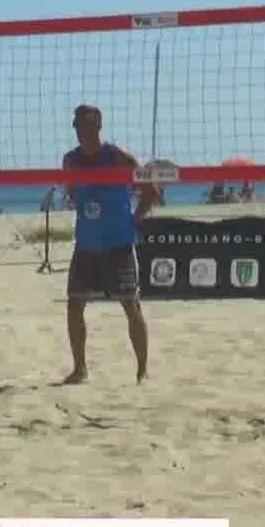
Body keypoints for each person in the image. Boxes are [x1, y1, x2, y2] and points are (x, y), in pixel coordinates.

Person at [62, 104, 157, 385]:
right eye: (77, 125)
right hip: (87, 244)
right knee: (74, 305)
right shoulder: (70, 160)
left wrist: (134, 219)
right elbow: (71, 194)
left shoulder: (117, 157)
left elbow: (150, 192)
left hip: (119, 243)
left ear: (98, 126)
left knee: (131, 305)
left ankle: (142, 370)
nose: (80, 131)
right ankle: (80, 369)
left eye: (85, 125)